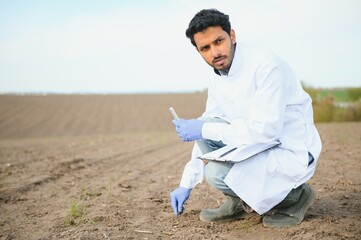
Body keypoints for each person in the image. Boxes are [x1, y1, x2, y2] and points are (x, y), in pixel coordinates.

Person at [170, 9, 322, 228]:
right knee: (205, 125)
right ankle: (238, 202)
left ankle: (296, 198)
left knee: (216, 172)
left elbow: (266, 130)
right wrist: (186, 182)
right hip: (256, 143)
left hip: (289, 147)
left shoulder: (266, 66)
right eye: (205, 48)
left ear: (232, 35)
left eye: (219, 41)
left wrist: (204, 130)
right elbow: (207, 127)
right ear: (199, 51)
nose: (215, 52)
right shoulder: (217, 77)